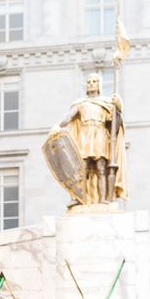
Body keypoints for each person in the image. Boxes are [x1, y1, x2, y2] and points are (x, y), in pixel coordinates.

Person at [59, 74, 127, 204]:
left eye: (94, 81)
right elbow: (69, 117)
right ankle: (77, 198)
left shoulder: (106, 104)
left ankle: (103, 199)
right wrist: (58, 125)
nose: (91, 84)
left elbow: (115, 124)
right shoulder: (80, 104)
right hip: (84, 136)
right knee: (81, 169)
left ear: (99, 85)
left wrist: (118, 108)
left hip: (100, 135)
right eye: (89, 81)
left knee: (101, 168)